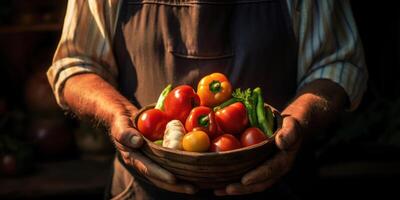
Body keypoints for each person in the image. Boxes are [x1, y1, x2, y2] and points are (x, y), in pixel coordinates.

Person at [47, 0, 367, 199]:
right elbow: (75, 63)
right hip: (143, 191)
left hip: (280, 186)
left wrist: (296, 121)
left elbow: (338, 63)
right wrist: (119, 116)